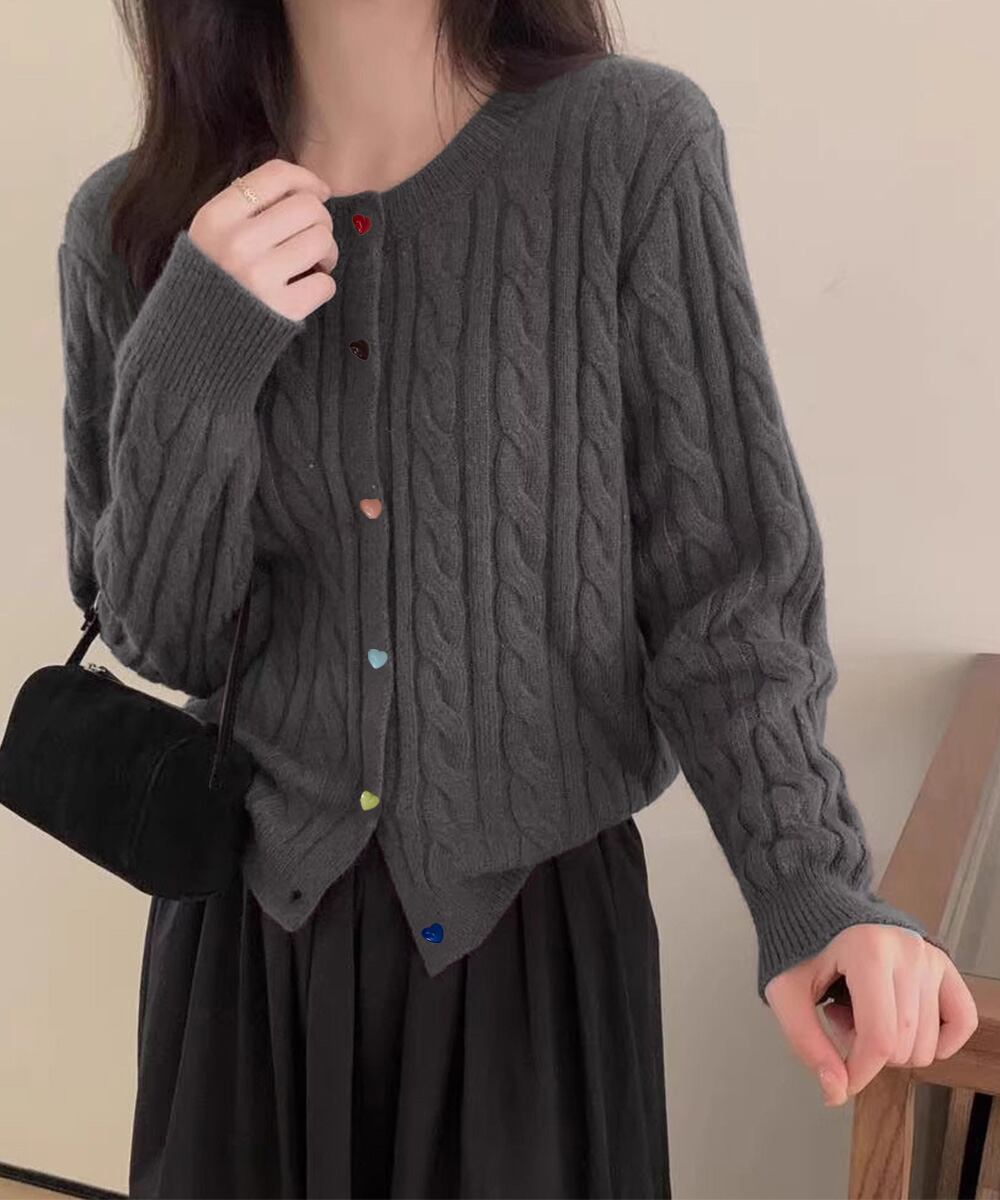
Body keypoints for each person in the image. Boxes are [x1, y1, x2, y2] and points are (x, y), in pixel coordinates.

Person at [55, 0, 978, 1196]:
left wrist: (812, 887)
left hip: (534, 966)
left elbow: (723, 593)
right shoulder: (130, 223)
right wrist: (195, 352)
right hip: (246, 963)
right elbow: (164, 635)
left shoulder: (627, 147)